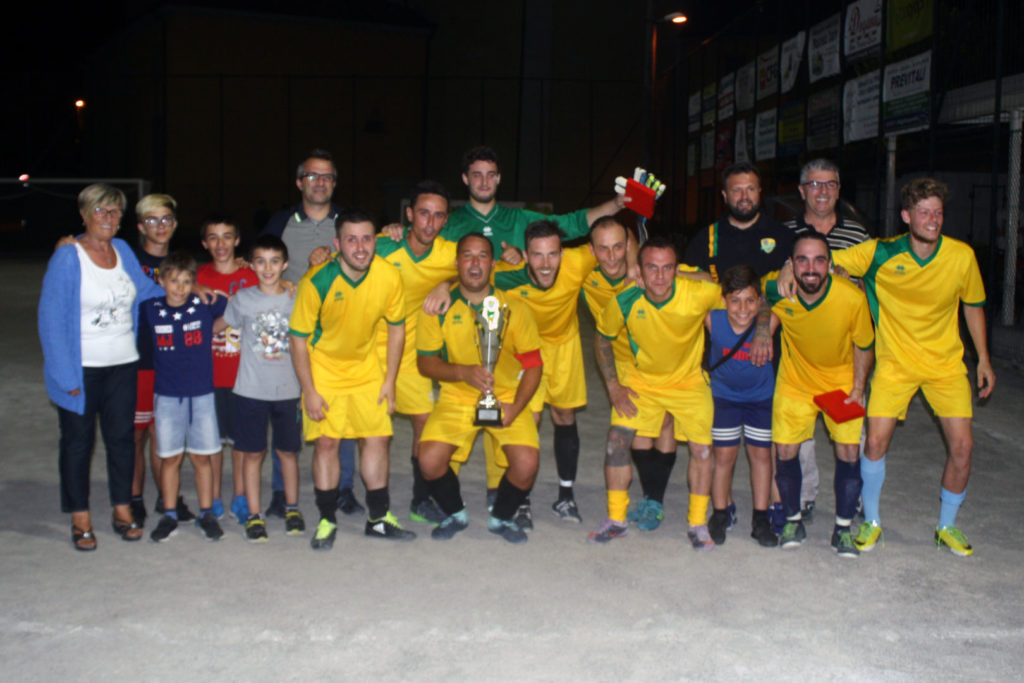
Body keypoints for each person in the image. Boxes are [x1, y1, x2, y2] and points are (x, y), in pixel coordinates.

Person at [776, 177, 995, 556]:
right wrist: (785, 266)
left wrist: (984, 360)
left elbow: (973, 307)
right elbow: (820, 258)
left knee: (964, 448)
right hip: (895, 365)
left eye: (938, 213)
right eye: (924, 212)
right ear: (907, 216)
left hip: (945, 366)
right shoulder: (879, 252)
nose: (932, 220)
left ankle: (946, 526)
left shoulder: (961, 256)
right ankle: (872, 521)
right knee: (874, 443)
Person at [39, 184, 165, 550]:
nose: (108, 218)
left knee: (121, 441)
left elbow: (146, 290)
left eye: (114, 211)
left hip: (123, 365)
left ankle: (122, 510)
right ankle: (80, 517)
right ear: (84, 214)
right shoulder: (68, 257)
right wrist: (65, 377)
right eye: (100, 210)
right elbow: (50, 320)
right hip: (81, 369)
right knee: (78, 444)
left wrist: (188, 289)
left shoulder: (122, 250)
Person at [289, 209, 414, 550]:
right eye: (351, 239)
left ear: (376, 241)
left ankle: (379, 519)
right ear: (337, 243)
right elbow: (297, 339)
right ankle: (327, 520)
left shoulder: (388, 275)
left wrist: (389, 380)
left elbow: (397, 329)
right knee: (327, 443)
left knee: (377, 439)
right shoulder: (316, 281)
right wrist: (309, 391)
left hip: (366, 368)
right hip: (324, 370)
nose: (360, 247)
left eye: (367, 238)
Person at [595, 236, 723, 550]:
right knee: (616, 443)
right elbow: (602, 339)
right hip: (642, 382)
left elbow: (735, 295)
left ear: (677, 269)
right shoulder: (624, 299)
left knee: (703, 451)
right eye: (652, 268)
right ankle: (616, 519)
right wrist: (613, 386)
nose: (660, 276)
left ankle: (697, 523)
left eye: (668, 268)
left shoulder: (697, 293)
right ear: (638, 270)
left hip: (688, 383)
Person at [416, 233, 545, 543]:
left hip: (505, 396)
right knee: (428, 460)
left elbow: (534, 365)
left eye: (483, 256)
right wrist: (462, 372)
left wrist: (516, 407)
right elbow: (425, 363)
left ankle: (501, 517)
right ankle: (456, 513)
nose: (475, 263)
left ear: (493, 264)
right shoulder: (438, 306)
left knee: (527, 464)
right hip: (457, 395)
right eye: (468, 256)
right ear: (457, 262)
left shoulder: (514, 307)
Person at [261, 149, 363, 518]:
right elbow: (261, 266)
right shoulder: (281, 222)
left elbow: (368, 260)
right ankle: (280, 491)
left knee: (340, 414)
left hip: (338, 335)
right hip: (294, 335)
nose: (319, 183)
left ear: (335, 183)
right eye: (312, 176)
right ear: (299, 182)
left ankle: (344, 488)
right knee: (286, 412)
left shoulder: (349, 222)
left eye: (327, 177)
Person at [764, 234, 875, 556]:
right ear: (791, 263)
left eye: (819, 260)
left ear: (829, 264)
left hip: (840, 382)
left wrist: (858, 388)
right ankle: (792, 520)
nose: (810, 268)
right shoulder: (779, 288)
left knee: (849, 452)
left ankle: (843, 528)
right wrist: (761, 330)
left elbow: (864, 345)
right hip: (795, 382)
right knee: (785, 450)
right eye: (802, 260)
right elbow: (753, 295)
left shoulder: (851, 298)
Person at [493, 220, 599, 524]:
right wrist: (441, 288)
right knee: (529, 418)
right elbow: (466, 275)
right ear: (525, 255)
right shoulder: (507, 274)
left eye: (553, 254)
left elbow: (622, 240)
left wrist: (633, 269)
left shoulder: (577, 261)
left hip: (564, 346)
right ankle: (521, 498)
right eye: (537, 255)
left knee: (565, 415)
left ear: (563, 253)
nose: (545, 264)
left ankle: (566, 495)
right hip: (526, 352)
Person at [783, 158, 870, 522]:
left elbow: (869, 290)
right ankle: (804, 495)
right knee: (799, 435)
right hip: (801, 354)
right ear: (802, 190)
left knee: (851, 432)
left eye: (830, 184)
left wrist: (851, 285)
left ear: (838, 190)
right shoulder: (784, 232)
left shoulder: (858, 235)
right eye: (815, 184)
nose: (822, 191)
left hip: (844, 354)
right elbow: (773, 286)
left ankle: (854, 500)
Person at [373, 181, 459, 526]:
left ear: (445, 220)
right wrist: (320, 255)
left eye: (438, 216)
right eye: (423, 213)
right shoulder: (383, 246)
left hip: (410, 354)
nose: (430, 222)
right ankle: (368, 502)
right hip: (369, 351)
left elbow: (482, 270)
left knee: (426, 422)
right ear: (409, 214)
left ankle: (420, 500)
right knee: (374, 431)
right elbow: (339, 261)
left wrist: (447, 283)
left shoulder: (449, 254)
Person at [220, 235, 305, 541]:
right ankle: (254, 514)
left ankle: (292, 508)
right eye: (260, 261)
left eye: (274, 261)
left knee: (288, 453)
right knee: (252, 454)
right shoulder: (242, 299)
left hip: (289, 391)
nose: (268, 268)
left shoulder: (297, 298)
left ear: (285, 264)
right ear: (252, 265)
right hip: (251, 392)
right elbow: (220, 326)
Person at [140, 251, 228, 542]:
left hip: (201, 395)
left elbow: (236, 305)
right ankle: (169, 514)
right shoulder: (150, 308)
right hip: (167, 396)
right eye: (173, 281)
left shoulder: (204, 304)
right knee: (170, 458)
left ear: (194, 282)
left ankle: (206, 513)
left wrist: (206, 300)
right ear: (161, 281)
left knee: (202, 457)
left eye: (187, 281)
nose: (179, 288)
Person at [131, 194, 197, 525]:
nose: (160, 226)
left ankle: (166, 497)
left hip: (170, 362)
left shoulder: (181, 263)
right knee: (136, 434)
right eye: (152, 220)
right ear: (141, 226)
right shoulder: (127, 259)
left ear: (175, 224)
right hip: (137, 359)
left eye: (166, 219)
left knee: (165, 435)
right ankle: (133, 498)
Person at [704, 265, 778, 548]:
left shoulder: (769, 322)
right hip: (725, 398)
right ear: (723, 300)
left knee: (761, 456)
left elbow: (777, 297)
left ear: (759, 301)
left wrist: (764, 323)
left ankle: (761, 518)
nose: (743, 309)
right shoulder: (712, 320)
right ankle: (720, 512)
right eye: (735, 301)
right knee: (723, 456)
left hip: (760, 399)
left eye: (750, 300)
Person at [441, 145, 627, 252]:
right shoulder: (449, 225)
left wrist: (616, 204)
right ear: (465, 178)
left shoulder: (520, 219)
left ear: (499, 178)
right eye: (477, 175)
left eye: (491, 175)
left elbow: (572, 224)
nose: (484, 182)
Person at [196, 214, 256, 523]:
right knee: (214, 442)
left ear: (237, 240)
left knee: (242, 443)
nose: (221, 243)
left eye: (227, 236)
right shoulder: (197, 277)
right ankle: (215, 495)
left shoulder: (252, 275)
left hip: (246, 376)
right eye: (213, 237)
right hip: (210, 375)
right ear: (204, 243)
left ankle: (241, 496)